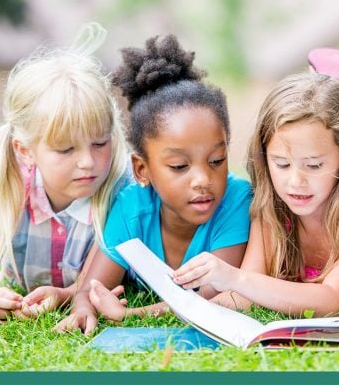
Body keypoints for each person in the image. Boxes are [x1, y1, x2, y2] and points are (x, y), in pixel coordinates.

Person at [54, 34, 252, 335]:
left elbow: (207, 297)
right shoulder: (131, 207)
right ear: (142, 169)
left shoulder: (236, 200)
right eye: (179, 166)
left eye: (216, 161)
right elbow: (91, 287)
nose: (202, 180)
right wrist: (83, 308)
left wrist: (131, 314)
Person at [0, 23, 131, 326]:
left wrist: (66, 294)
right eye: (66, 150)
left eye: (100, 143)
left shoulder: (119, 192)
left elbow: (91, 289)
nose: (87, 162)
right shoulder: (9, 186)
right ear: (25, 150)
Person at [170, 71, 339, 317]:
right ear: (265, 158)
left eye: (314, 165)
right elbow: (244, 295)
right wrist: (162, 310)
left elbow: (333, 299)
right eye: (282, 164)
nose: (296, 181)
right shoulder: (271, 206)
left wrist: (235, 278)